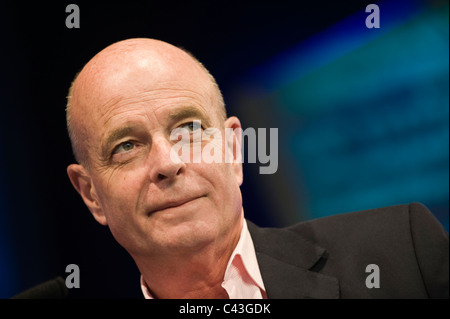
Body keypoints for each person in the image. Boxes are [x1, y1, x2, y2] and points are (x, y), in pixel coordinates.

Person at [66, 38, 449, 299]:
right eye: (127, 146)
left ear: (233, 150)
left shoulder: (400, 251)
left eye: (188, 129)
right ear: (90, 194)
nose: (168, 163)